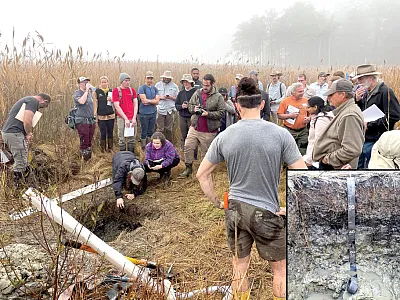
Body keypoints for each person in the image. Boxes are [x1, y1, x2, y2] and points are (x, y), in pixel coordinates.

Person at [196, 77, 306, 300]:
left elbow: (202, 174)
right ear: (263, 104)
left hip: (235, 210)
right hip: (267, 212)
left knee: (239, 264)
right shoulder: (281, 134)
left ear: (237, 105)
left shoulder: (224, 136)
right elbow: (301, 175)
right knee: (280, 269)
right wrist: (291, 207)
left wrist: (219, 202)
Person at [353, 64, 400, 168]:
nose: (358, 82)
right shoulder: (365, 93)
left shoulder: (385, 91)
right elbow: (363, 112)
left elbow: (395, 115)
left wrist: (370, 124)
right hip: (365, 138)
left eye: (361, 79)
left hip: (378, 141)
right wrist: (357, 100)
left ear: (371, 78)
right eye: (358, 79)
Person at [179, 74, 225, 178]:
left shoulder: (218, 97)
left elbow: (221, 113)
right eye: (203, 84)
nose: (204, 87)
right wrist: (193, 109)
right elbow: (190, 105)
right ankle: (188, 168)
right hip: (195, 127)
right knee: (188, 147)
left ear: (213, 84)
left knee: (205, 153)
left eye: (207, 85)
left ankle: (204, 172)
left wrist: (208, 114)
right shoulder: (198, 92)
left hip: (209, 130)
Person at [313, 79, 365, 169]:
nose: (328, 98)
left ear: (342, 95)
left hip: (337, 169)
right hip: (336, 166)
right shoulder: (346, 111)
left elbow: (352, 149)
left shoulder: (349, 115)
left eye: (331, 95)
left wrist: (327, 159)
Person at [1, 93, 51, 184]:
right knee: (21, 162)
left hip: (14, 133)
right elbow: (27, 120)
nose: (40, 108)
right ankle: (18, 188)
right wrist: (28, 133)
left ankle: (28, 183)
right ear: (45, 101)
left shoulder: (27, 100)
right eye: (43, 106)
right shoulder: (33, 101)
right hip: (14, 133)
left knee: (24, 160)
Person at [277, 83, 310, 155]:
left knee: (303, 150)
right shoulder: (285, 101)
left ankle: (301, 165)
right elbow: (279, 115)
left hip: (303, 131)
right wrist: (290, 115)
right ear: (293, 93)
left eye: (303, 91)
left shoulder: (306, 101)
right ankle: (287, 166)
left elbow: (310, 115)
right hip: (289, 131)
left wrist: (308, 119)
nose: (302, 93)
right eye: (300, 92)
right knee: (289, 151)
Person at [303, 96, 334, 168]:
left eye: (308, 107)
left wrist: (309, 160)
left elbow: (317, 141)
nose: (307, 109)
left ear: (315, 107)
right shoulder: (322, 116)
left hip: (318, 159)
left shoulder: (321, 121)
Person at [112, 73, 138, 152]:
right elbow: (117, 106)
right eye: (126, 80)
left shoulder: (132, 90)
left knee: (132, 138)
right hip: (121, 117)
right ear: (121, 81)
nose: (128, 82)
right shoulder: (116, 91)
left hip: (132, 117)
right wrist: (125, 118)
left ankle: (131, 155)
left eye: (128, 80)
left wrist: (134, 118)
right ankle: (123, 156)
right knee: (122, 138)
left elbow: (136, 104)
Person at [73, 76, 96, 160]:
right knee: (84, 141)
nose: (86, 83)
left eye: (87, 82)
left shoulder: (89, 94)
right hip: (82, 121)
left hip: (90, 121)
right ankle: (84, 160)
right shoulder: (77, 93)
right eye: (84, 82)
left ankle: (89, 159)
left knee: (89, 141)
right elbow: (81, 102)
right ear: (79, 84)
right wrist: (86, 91)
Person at [138, 71, 160, 150]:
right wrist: (153, 101)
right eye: (148, 78)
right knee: (144, 131)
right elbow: (143, 101)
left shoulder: (155, 88)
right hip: (143, 113)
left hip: (153, 112)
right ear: (145, 78)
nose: (149, 80)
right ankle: (143, 148)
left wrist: (149, 101)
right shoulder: (142, 88)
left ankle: (149, 147)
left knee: (151, 131)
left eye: (151, 78)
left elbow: (157, 101)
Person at [155, 71, 179, 142]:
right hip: (160, 109)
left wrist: (170, 97)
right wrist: (161, 97)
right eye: (165, 78)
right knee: (160, 128)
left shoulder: (175, 86)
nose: (166, 79)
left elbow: (178, 99)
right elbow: (154, 97)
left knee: (169, 128)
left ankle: (168, 143)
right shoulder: (157, 85)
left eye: (168, 78)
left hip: (170, 110)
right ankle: (159, 143)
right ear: (163, 77)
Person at [93, 76, 115, 152]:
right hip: (101, 116)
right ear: (100, 83)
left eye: (105, 82)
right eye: (102, 82)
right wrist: (95, 115)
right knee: (103, 132)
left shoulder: (111, 91)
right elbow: (95, 104)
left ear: (108, 83)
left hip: (110, 115)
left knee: (110, 132)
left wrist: (112, 100)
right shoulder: (97, 92)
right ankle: (103, 149)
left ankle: (110, 148)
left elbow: (115, 103)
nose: (104, 83)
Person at [176, 74, 197, 150]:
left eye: (187, 82)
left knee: (192, 135)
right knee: (183, 134)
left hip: (192, 117)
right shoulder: (181, 93)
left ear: (191, 82)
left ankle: (194, 153)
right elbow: (176, 105)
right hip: (182, 116)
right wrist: (182, 106)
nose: (185, 84)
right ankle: (183, 150)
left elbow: (199, 105)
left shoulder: (196, 92)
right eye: (184, 82)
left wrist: (190, 106)